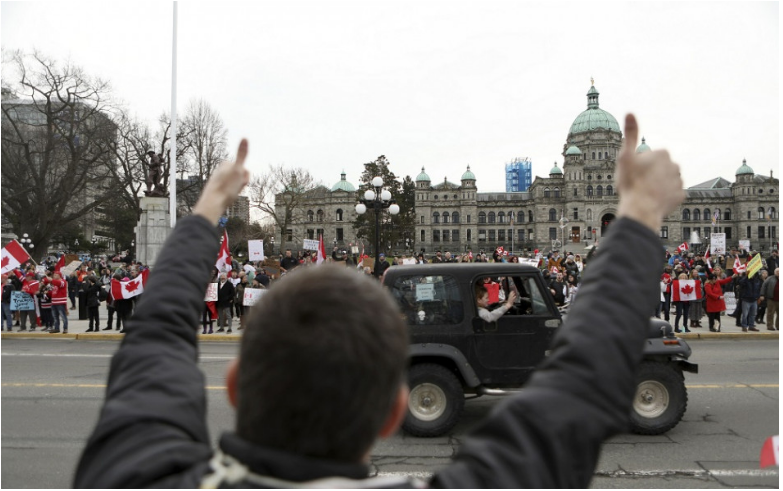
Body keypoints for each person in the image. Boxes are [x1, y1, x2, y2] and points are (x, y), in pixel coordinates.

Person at [75, 115, 687, 489]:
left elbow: (153, 338)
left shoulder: (133, 473)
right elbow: (582, 384)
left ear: (235, 386)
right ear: (395, 410)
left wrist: (206, 212)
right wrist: (637, 218)